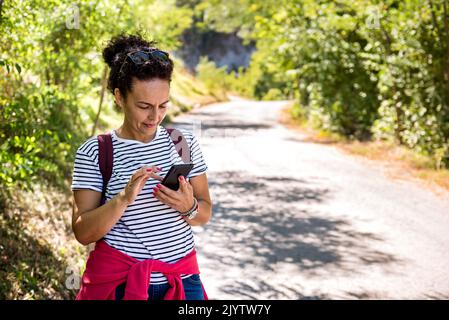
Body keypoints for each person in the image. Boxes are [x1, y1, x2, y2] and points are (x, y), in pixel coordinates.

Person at [70, 34, 212, 300]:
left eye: (163, 106)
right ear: (119, 97)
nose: (155, 117)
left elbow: (204, 213)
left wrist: (188, 206)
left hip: (183, 280)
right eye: (144, 106)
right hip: (120, 284)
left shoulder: (182, 142)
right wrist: (123, 199)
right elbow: (83, 232)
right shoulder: (96, 151)